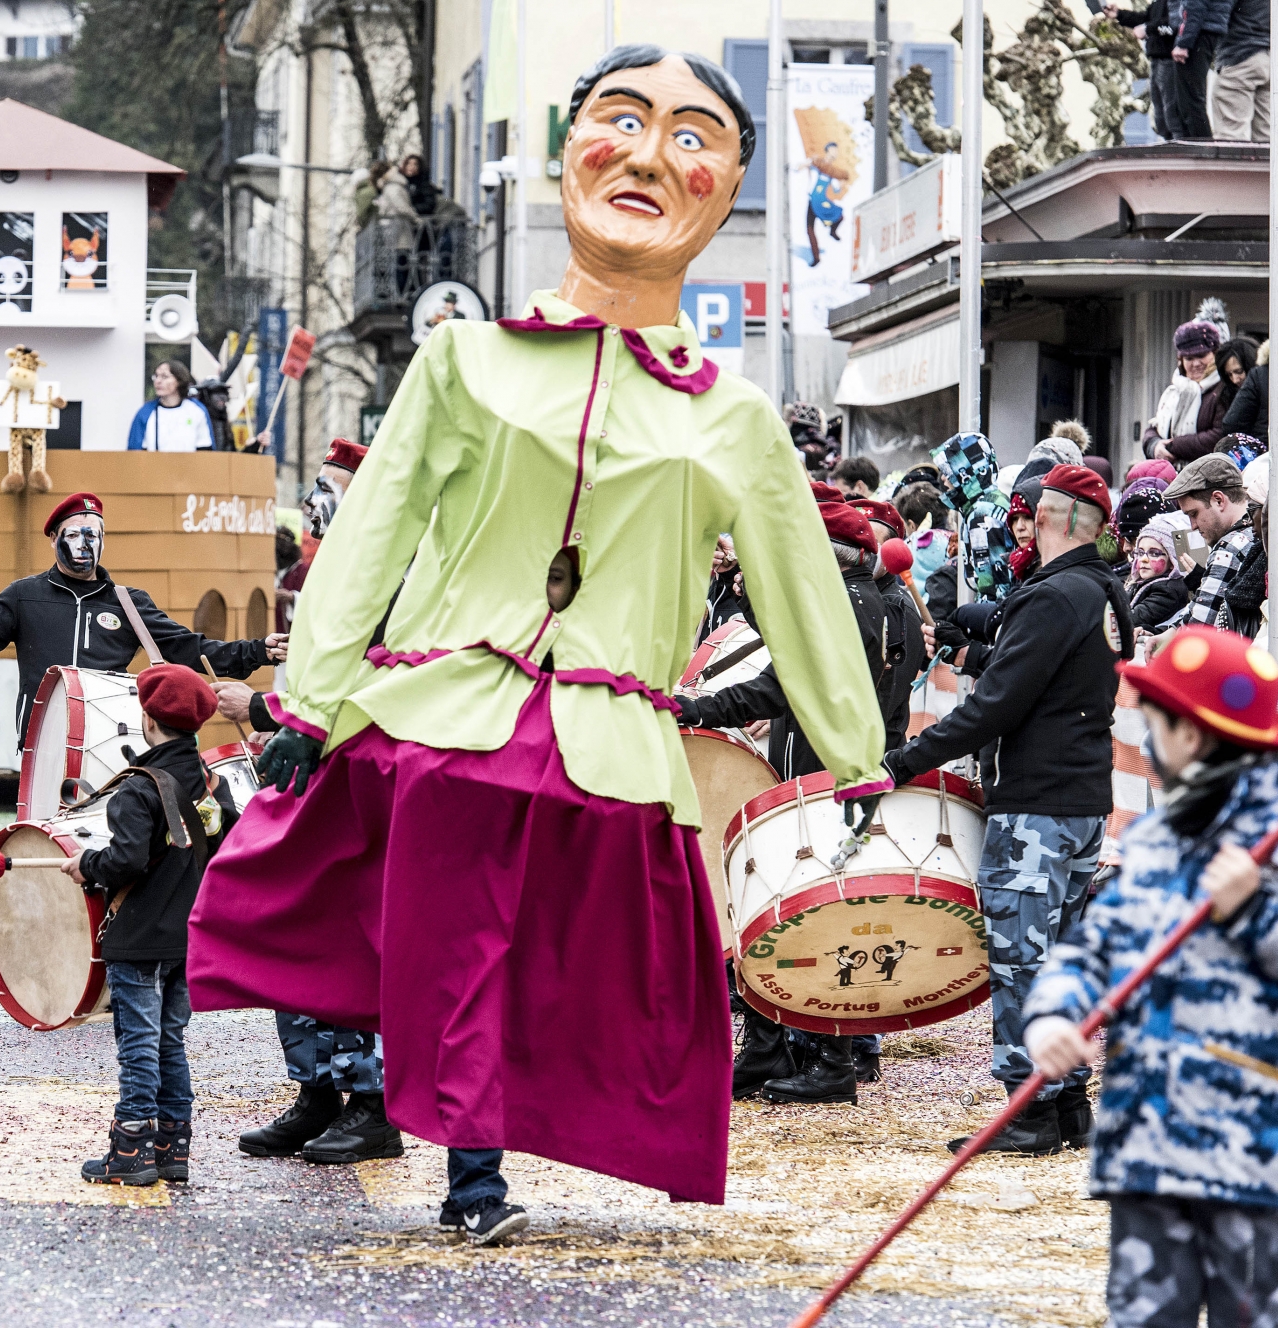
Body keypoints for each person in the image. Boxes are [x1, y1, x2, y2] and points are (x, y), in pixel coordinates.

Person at [189, 44, 889, 1246]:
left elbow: (803, 592)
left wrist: (854, 758)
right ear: (569, 149)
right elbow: (373, 525)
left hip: (612, 748)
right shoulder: (466, 358)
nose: (648, 153)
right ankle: (472, 1176)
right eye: (621, 118)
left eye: (690, 134)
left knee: (590, 977)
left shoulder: (733, 417)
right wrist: (311, 698)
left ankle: (515, 1146)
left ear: (723, 186)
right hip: (449, 717)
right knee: (455, 954)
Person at [1023, 625, 1278, 1328]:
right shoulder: (1158, 836)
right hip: (1149, 1152)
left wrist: (1256, 912)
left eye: (1154, 723)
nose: (1146, 740)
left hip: (1260, 1156)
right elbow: (1091, 947)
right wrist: (1054, 1015)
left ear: (1192, 735)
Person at [883, 465, 1134, 1155]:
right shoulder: (1106, 593)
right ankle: (1065, 1107)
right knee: (1062, 959)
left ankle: (1027, 1110)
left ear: (1050, 518)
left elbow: (996, 703)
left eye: (1030, 512)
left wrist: (902, 760)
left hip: (1038, 805)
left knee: (1023, 962)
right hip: (1082, 800)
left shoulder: (1053, 596)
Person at [208, 439, 402, 1166]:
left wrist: (263, 709)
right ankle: (318, 1088)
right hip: (316, 771)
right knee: (295, 926)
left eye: (333, 486)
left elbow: (381, 681)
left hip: (365, 776)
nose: (318, 500)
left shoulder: (398, 578)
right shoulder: (331, 571)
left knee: (355, 940)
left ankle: (374, 1104)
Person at [676, 501, 893, 1104]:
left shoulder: (842, 606)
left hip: (828, 779)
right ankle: (772, 1044)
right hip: (826, 774)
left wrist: (696, 709)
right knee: (782, 904)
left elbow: (780, 685)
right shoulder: (861, 600)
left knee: (818, 913)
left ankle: (831, 1060)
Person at [40, 665, 238, 1185]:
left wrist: (87, 865)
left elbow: (125, 861)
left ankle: (130, 1152)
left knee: (139, 1045)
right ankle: (174, 1150)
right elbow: (226, 850)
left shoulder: (139, 789)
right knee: (170, 1040)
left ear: (147, 719)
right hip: (189, 939)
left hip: (140, 939)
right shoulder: (214, 786)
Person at [0, 493, 284, 743]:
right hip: (42, 739)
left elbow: (191, 650)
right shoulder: (24, 596)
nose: (84, 543)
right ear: (54, 539)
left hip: (111, 741)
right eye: (74, 534)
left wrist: (258, 651)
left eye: (93, 535)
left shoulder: (128, 602)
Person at [851, 497, 933, 750]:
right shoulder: (850, 597)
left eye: (873, 544)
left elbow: (882, 704)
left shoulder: (900, 613)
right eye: (854, 541)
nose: (862, 551)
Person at [1167, 453, 1261, 636]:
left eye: (1193, 514)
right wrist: (1168, 631)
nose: (1193, 526)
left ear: (1219, 500)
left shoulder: (1230, 548)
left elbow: (1197, 630)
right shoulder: (1255, 534)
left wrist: (1168, 638)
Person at [1147, 320, 1228, 463]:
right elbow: (1154, 427)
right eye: (1189, 358)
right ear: (1181, 360)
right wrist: (1154, 445)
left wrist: (1173, 446)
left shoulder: (1224, 388)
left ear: (1215, 354)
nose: (1196, 364)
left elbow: (1218, 436)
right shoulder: (1174, 391)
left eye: (1202, 355)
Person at [1109, 1, 1180, 138]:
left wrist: (1148, 29)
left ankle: (1181, 149)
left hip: (1170, 60)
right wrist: (1119, 14)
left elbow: (1174, 25)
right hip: (1156, 60)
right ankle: (1170, 147)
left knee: (1172, 115)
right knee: (1161, 117)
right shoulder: (1158, 3)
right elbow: (1145, 18)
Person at [1206, 0, 1271, 142]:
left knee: (1231, 136)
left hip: (1240, 55)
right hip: (1270, 58)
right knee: (1267, 137)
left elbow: (1214, 14)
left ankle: (1230, 165)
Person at [127, 360, 218, 452]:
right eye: (156, 376)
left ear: (179, 380)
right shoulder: (146, 412)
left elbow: (205, 450)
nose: (158, 381)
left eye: (164, 376)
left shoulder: (196, 410)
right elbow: (135, 452)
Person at [1128, 515, 1193, 634]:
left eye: (1154, 554)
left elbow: (1133, 619)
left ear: (1172, 561)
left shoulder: (1169, 590)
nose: (1144, 559)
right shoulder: (1138, 584)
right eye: (1140, 552)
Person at [1163, 0, 1217, 140]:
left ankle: (1203, 151)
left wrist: (1184, 42)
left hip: (1197, 34)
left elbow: (1195, 6)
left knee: (1190, 102)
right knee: (1190, 102)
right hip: (1202, 30)